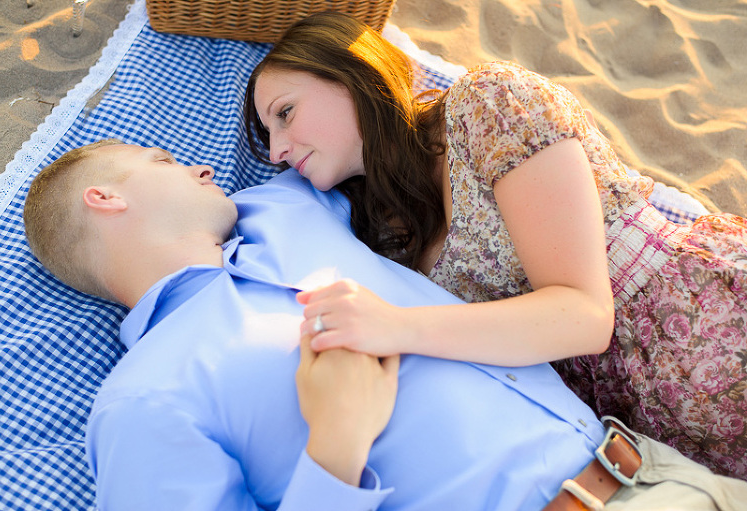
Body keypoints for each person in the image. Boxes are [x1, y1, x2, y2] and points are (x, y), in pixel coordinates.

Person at [22, 140, 747, 510]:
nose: (205, 168)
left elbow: (333, 92)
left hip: (658, 470)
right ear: (103, 197)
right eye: (166, 160)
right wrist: (335, 447)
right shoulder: (144, 399)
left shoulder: (281, 206)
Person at [243, 11, 747, 479]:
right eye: (268, 135)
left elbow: (585, 314)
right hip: (634, 425)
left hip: (706, 326)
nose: (277, 150)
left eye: (285, 113)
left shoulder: (488, 105)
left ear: (351, 73)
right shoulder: (383, 232)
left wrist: (394, 325)